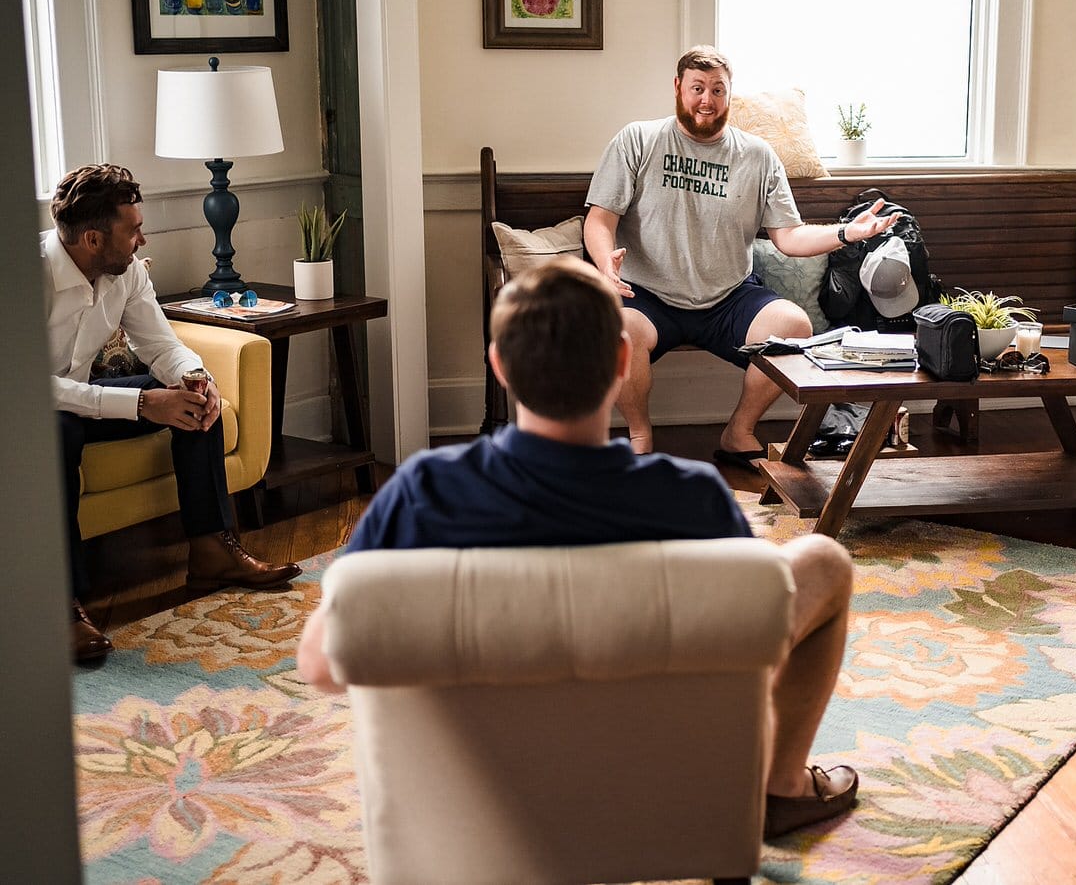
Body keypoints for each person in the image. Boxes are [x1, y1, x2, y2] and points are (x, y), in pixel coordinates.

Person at [298, 257, 860, 838]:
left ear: (499, 365)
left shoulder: (424, 493)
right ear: (621, 361)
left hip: (485, 801)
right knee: (821, 562)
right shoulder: (692, 498)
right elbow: (748, 646)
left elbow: (321, 665)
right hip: (659, 783)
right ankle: (781, 786)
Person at [582, 45, 901, 468]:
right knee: (616, 331)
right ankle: (640, 434)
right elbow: (599, 219)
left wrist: (848, 233)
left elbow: (789, 236)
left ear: (730, 94)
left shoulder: (757, 155)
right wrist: (605, 264)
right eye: (697, 88)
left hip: (728, 296)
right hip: (647, 295)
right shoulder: (638, 140)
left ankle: (739, 431)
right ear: (677, 88)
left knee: (793, 326)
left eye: (718, 89)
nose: (707, 100)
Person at [46, 165, 301, 662]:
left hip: (83, 397)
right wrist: (141, 402)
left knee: (191, 399)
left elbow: (161, 345)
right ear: (93, 239)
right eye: (133, 231)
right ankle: (59, 606)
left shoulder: (126, 272)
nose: (142, 240)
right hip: (23, 414)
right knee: (55, 433)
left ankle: (211, 550)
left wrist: (195, 376)